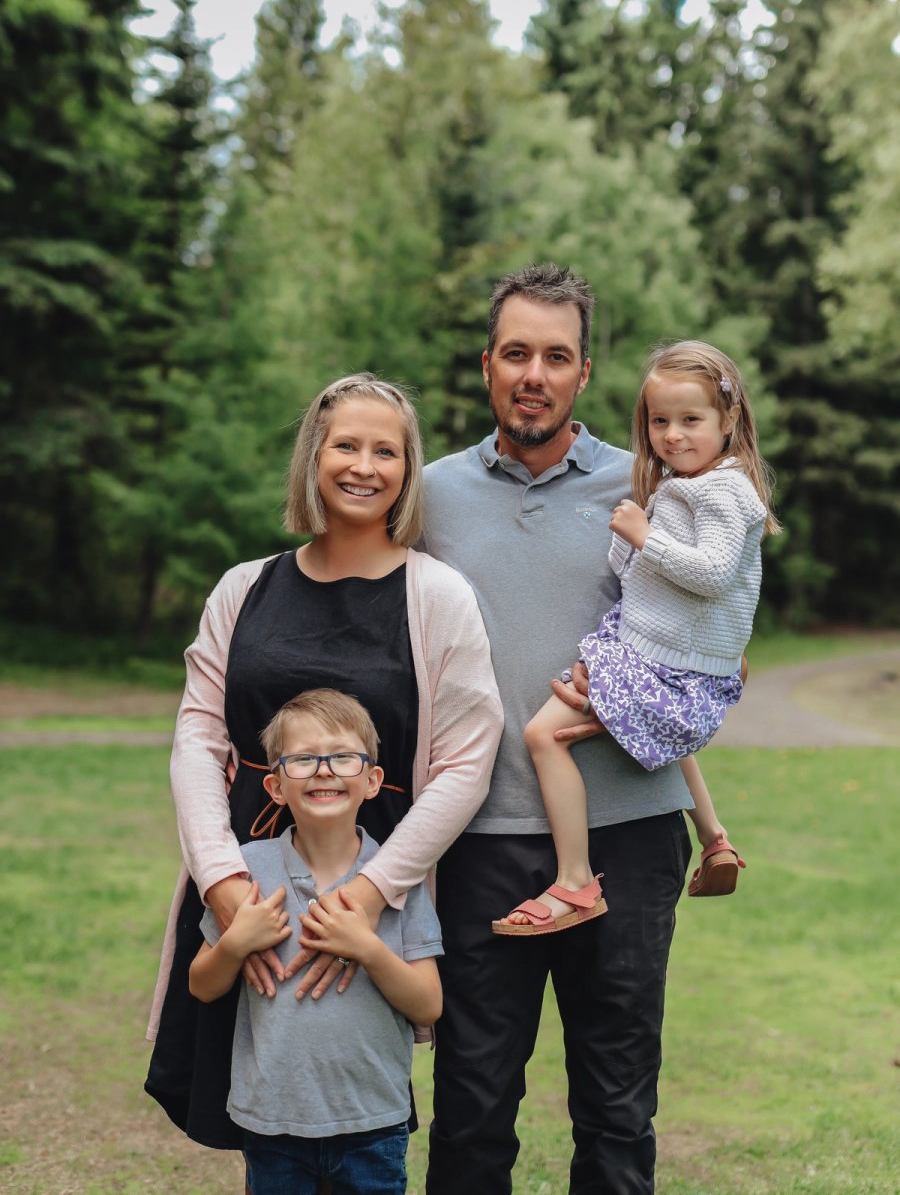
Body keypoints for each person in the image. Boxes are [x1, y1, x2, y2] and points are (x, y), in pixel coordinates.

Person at [145, 373, 503, 1157]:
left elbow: (467, 763)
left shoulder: (437, 596)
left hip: (373, 876)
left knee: (354, 1098)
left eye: (388, 451)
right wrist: (226, 887)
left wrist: (372, 894)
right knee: (257, 1101)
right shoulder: (245, 588)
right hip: (251, 878)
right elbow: (199, 739)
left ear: (409, 472)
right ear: (315, 455)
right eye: (346, 444)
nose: (364, 466)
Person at [421, 262, 696, 1194]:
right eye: (515, 353)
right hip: (477, 841)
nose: (533, 373)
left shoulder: (655, 484)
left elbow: (721, 628)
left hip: (628, 839)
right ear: (487, 366)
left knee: (618, 1112)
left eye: (556, 356)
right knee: (469, 1109)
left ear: (585, 373)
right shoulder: (427, 496)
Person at [495, 340, 779, 936]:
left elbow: (711, 572)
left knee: (543, 734)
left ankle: (573, 880)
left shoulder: (725, 491)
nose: (672, 435)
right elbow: (638, 576)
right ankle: (715, 836)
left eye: (691, 420)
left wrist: (646, 536)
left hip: (656, 655)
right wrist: (632, 543)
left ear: (729, 420)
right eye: (659, 421)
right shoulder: (684, 483)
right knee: (664, 737)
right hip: (660, 651)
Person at [190, 687, 442, 1194]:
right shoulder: (248, 870)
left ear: (372, 781)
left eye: (342, 757)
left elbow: (428, 1004)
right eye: (303, 759)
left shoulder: (395, 878)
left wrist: (368, 947)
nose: (324, 770)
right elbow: (202, 985)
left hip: (373, 1122)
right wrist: (236, 943)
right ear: (277, 785)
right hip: (271, 1122)